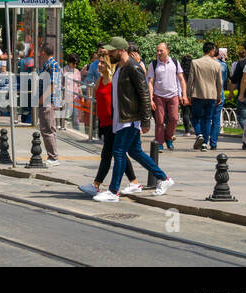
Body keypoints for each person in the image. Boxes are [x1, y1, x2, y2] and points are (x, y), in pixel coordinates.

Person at [94, 40, 174, 202]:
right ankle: (164, 179)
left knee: (119, 151)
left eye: (112, 51)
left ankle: (113, 191)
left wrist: (145, 121)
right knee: (135, 151)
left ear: (122, 50)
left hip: (130, 119)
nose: (109, 54)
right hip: (122, 118)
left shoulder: (133, 68)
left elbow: (144, 94)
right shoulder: (120, 69)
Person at [79, 38, 139, 197]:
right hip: (104, 123)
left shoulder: (114, 81)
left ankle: (97, 185)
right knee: (119, 153)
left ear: (109, 65)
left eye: (102, 63)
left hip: (114, 122)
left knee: (109, 154)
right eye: (99, 62)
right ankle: (134, 182)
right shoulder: (100, 81)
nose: (99, 65)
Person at [146, 42, 187, 151]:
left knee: (174, 118)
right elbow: (150, 82)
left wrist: (184, 95)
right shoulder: (153, 64)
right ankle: (159, 142)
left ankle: (168, 137)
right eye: (157, 50)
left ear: (167, 51)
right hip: (158, 95)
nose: (158, 53)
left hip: (173, 95)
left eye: (161, 50)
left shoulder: (174, 62)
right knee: (159, 120)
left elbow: (181, 79)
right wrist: (150, 99)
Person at [188, 42, 224, 150]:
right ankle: (205, 143)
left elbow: (190, 80)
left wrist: (188, 94)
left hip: (198, 94)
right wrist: (219, 95)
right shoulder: (217, 64)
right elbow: (219, 82)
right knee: (208, 119)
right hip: (211, 95)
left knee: (195, 117)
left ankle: (199, 134)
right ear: (212, 50)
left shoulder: (195, 62)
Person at [36, 46, 61, 167]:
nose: (40, 56)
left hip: (48, 102)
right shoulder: (49, 65)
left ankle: (53, 157)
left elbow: (53, 85)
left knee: (48, 129)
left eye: (40, 54)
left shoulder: (52, 65)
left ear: (44, 53)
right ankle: (52, 156)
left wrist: (42, 98)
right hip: (46, 101)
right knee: (47, 129)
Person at [63, 54, 81, 130]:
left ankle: (76, 130)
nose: (75, 65)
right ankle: (65, 129)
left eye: (77, 63)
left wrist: (81, 96)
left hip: (76, 96)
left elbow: (79, 85)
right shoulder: (64, 71)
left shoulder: (77, 71)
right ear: (69, 62)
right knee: (67, 115)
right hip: (67, 96)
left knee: (76, 115)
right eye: (74, 63)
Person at [178, 54, 195, 136]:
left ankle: (187, 131)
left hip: (183, 92)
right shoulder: (193, 69)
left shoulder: (180, 70)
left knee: (185, 112)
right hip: (192, 93)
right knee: (193, 112)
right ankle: (195, 128)